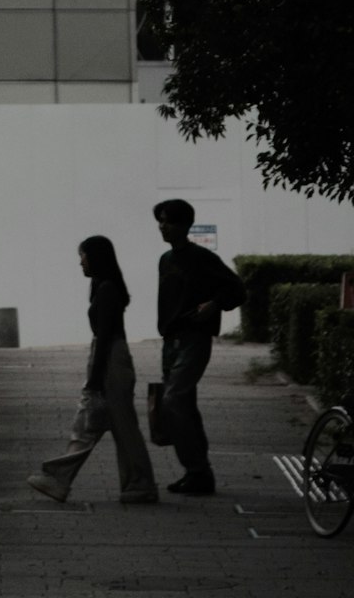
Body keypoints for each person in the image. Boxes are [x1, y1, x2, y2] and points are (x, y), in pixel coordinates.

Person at [28, 236, 158, 504]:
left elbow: (106, 336)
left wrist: (94, 379)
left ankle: (59, 479)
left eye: (83, 256)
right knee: (115, 427)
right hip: (112, 357)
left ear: (96, 258)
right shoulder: (105, 287)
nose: (80, 262)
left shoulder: (107, 289)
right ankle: (137, 484)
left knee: (94, 423)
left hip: (110, 359)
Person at [153, 198, 245, 497]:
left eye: (167, 220)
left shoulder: (202, 258)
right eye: (160, 220)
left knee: (174, 398)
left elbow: (237, 289)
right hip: (172, 341)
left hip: (194, 338)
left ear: (184, 224)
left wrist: (214, 305)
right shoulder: (165, 261)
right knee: (184, 405)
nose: (162, 226)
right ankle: (197, 473)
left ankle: (197, 469)